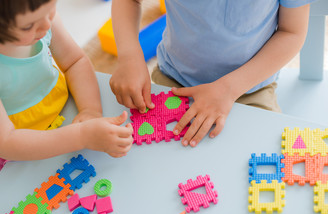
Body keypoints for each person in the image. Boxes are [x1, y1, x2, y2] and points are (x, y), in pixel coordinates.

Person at [0, 0, 133, 214]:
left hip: (62, 117)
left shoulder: (38, 14)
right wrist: (82, 135)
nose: (47, 25)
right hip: (10, 155)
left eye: (53, 9)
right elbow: (5, 141)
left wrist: (89, 110)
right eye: (28, 27)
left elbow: (75, 61)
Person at [110, 0, 315, 148]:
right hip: (175, 79)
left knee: (265, 157)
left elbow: (292, 32)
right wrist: (129, 57)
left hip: (249, 88)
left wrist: (228, 89)